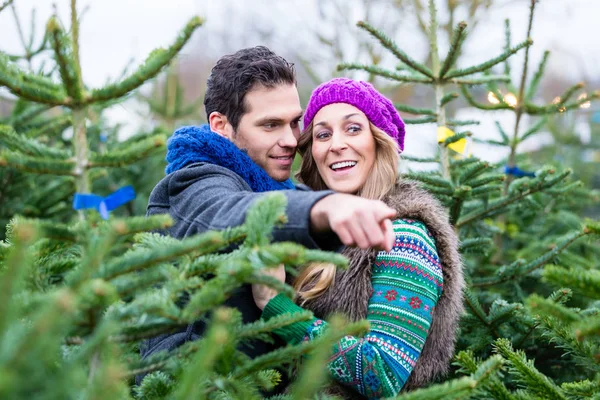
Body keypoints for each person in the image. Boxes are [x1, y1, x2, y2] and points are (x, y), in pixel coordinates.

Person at [138, 48, 399, 383]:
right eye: (271, 125)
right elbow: (226, 212)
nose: (291, 140)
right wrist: (322, 207)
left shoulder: (270, 185)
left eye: (294, 122)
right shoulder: (194, 183)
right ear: (221, 126)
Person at [254, 78, 465, 399]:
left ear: (378, 142)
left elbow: (383, 374)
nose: (336, 144)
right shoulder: (316, 233)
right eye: (323, 134)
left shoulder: (402, 235)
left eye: (353, 129)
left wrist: (277, 309)